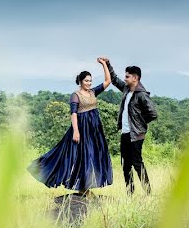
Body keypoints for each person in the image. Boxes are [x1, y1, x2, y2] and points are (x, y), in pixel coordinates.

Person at [28, 58, 113, 194]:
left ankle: (86, 187)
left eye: (90, 80)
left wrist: (104, 64)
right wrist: (76, 131)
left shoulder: (93, 92)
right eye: (86, 80)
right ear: (80, 81)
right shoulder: (76, 95)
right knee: (81, 156)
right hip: (82, 129)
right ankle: (82, 188)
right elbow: (73, 114)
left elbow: (108, 81)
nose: (89, 83)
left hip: (94, 129)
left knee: (93, 155)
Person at [101, 58, 158, 194]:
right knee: (125, 165)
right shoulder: (127, 89)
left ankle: (148, 193)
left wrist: (139, 125)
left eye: (127, 76)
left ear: (135, 78)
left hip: (136, 135)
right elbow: (114, 79)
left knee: (137, 164)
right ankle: (130, 194)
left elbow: (153, 114)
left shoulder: (142, 95)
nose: (125, 78)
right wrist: (107, 64)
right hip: (125, 134)